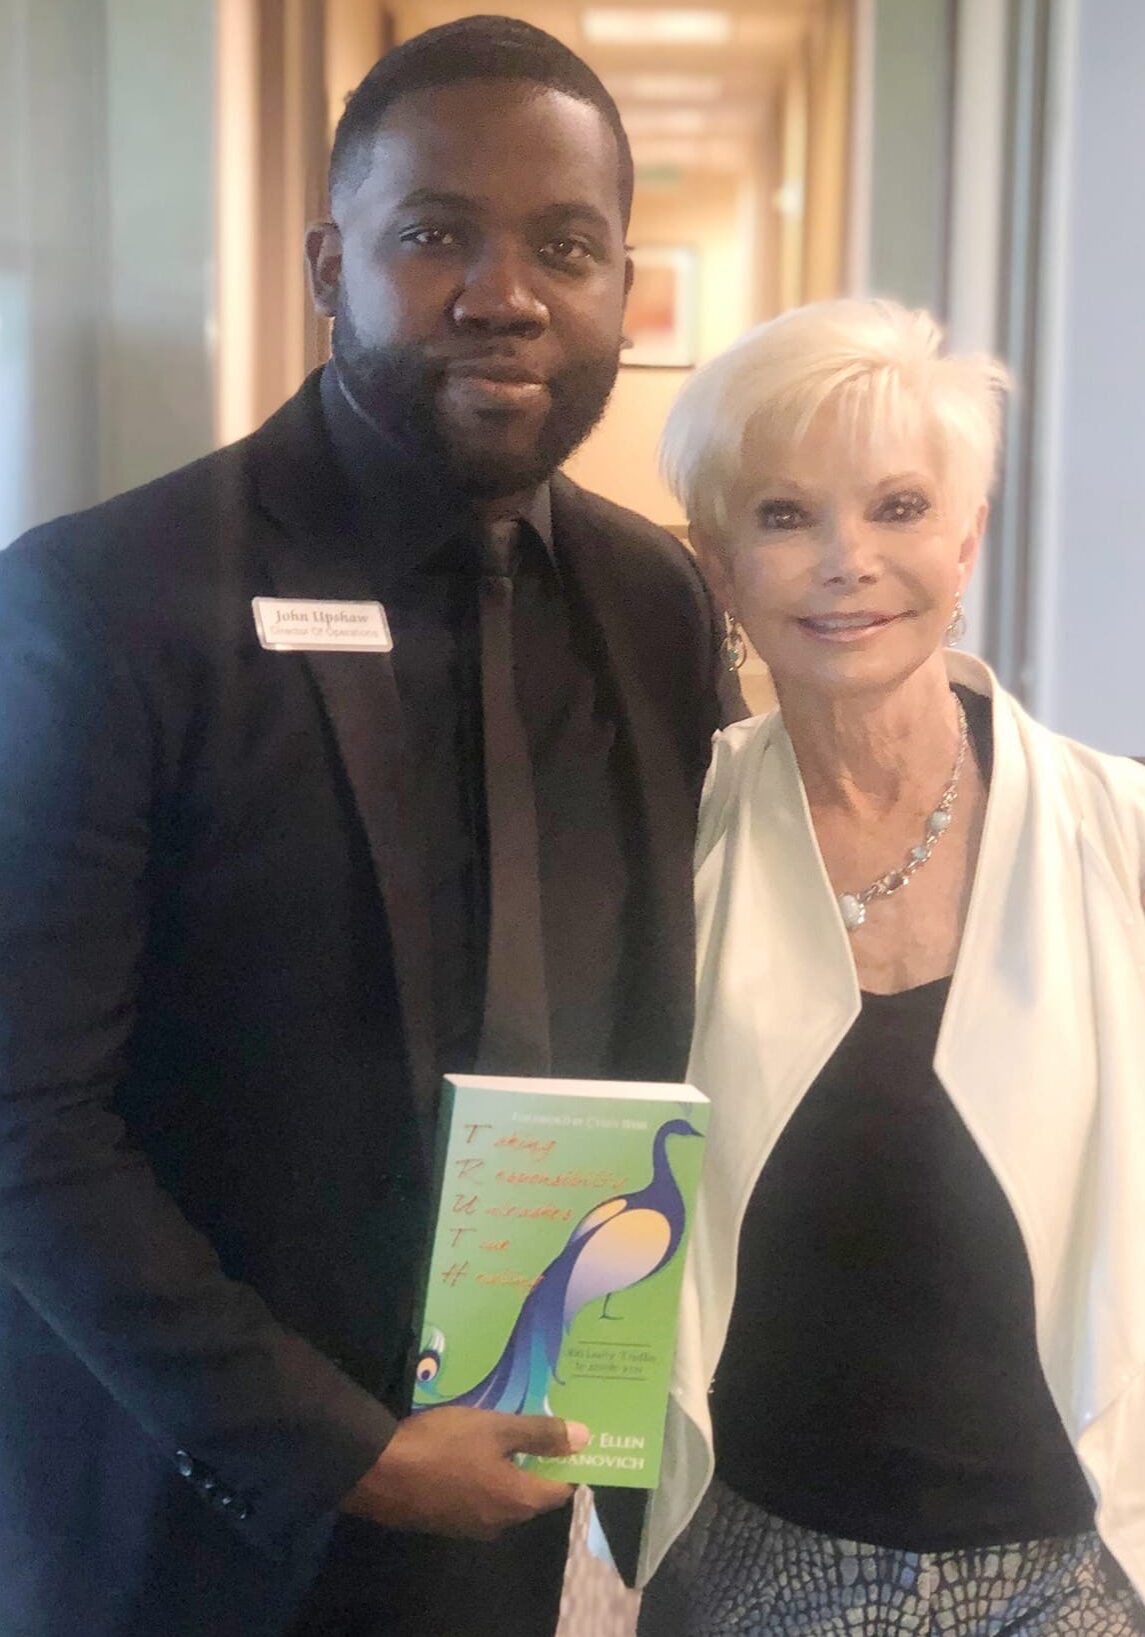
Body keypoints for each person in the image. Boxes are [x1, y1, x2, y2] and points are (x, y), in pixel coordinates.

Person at [0, 17, 741, 1637]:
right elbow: (25, 1118)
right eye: (434, 235)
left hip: (517, 1496)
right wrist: (346, 1451)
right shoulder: (102, 599)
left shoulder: (652, 602)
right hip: (191, 1522)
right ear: (331, 263)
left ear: (622, 281)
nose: (505, 292)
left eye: (565, 245)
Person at [631, 298, 1145, 1635]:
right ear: (718, 564)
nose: (848, 560)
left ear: (965, 537)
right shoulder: (656, 847)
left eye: (900, 506)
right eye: (786, 515)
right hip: (754, 1555)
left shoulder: (1121, 831)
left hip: (1084, 1560)